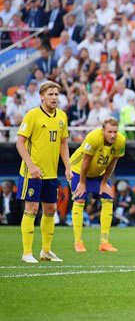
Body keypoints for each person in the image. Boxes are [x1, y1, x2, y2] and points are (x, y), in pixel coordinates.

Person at [16, 81, 72, 263]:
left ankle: (46, 251)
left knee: (51, 209)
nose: (54, 98)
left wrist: (68, 167)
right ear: (42, 96)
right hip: (31, 172)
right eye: (50, 94)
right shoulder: (32, 116)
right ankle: (26, 253)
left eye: (56, 94)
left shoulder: (62, 117)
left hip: (51, 173)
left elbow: (63, 144)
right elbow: (20, 143)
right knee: (32, 208)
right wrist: (31, 166)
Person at [70, 118, 125, 253]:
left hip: (98, 171)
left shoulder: (121, 141)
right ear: (103, 131)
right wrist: (82, 183)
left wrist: (104, 182)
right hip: (78, 170)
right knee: (80, 199)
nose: (113, 135)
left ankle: (104, 243)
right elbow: (85, 162)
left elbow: (113, 163)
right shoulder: (93, 138)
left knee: (108, 198)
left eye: (115, 132)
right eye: (110, 132)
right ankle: (78, 242)